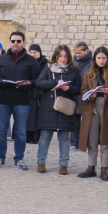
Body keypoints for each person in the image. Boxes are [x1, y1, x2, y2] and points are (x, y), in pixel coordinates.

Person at [0, 31, 40, 170]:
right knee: (1, 131)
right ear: (9, 42)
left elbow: (37, 79)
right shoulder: (1, 59)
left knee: (21, 132)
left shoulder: (31, 60)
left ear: (23, 42)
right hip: (3, 99)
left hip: (22, 100)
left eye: (18, 41)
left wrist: (28, 84)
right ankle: (0, 158)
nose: (15, 43)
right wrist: (0, 81)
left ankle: (19, 159)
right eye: (13, 41)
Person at [34, 45, 82, 174]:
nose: (63, 59)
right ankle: (41, 163)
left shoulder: (74, 71)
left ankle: (63, 165)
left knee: (64, 137)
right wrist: (55, 83)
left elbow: (79, 89)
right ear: (56, 56)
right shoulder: (48, 69)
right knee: (45, 136)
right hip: (48, 107)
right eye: (60, 56)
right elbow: (39, 83)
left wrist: (68, 88)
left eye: (65, 56)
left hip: (65, 106)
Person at [77, 47, 108, 181]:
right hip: (92, 107)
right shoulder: (89, 72)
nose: (101, 61)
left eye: (104, 58)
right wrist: (91, 94)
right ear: (94, 59)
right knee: (92, 139)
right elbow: (83, 89)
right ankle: (91, 167)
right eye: (99, 58)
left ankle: (104, 169)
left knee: (105, 139)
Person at [25, 44, 48, 144]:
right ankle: (26, 136)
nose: (33, 54)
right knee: (27, 116)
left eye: (35, 52)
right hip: (28, 92)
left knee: (36, 117)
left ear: (39, 53)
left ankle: (35, 137)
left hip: (39, 94)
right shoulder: (27, 62)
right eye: (31, 52)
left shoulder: (45, 64)